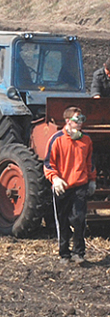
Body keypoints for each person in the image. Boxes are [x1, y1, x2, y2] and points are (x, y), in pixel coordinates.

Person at [44, 106, 96, 265]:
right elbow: (48, 163)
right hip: (62, 187)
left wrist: (92, 180)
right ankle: (64, 254)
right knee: (62, 220)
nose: (80, 123)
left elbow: (90, 162)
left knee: (79, 219)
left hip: (80, 185)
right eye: (77, 120)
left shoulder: (86, 140)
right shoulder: (56, 139)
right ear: (67, 121)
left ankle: (79, 253)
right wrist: (55, 179)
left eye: (82, 120)